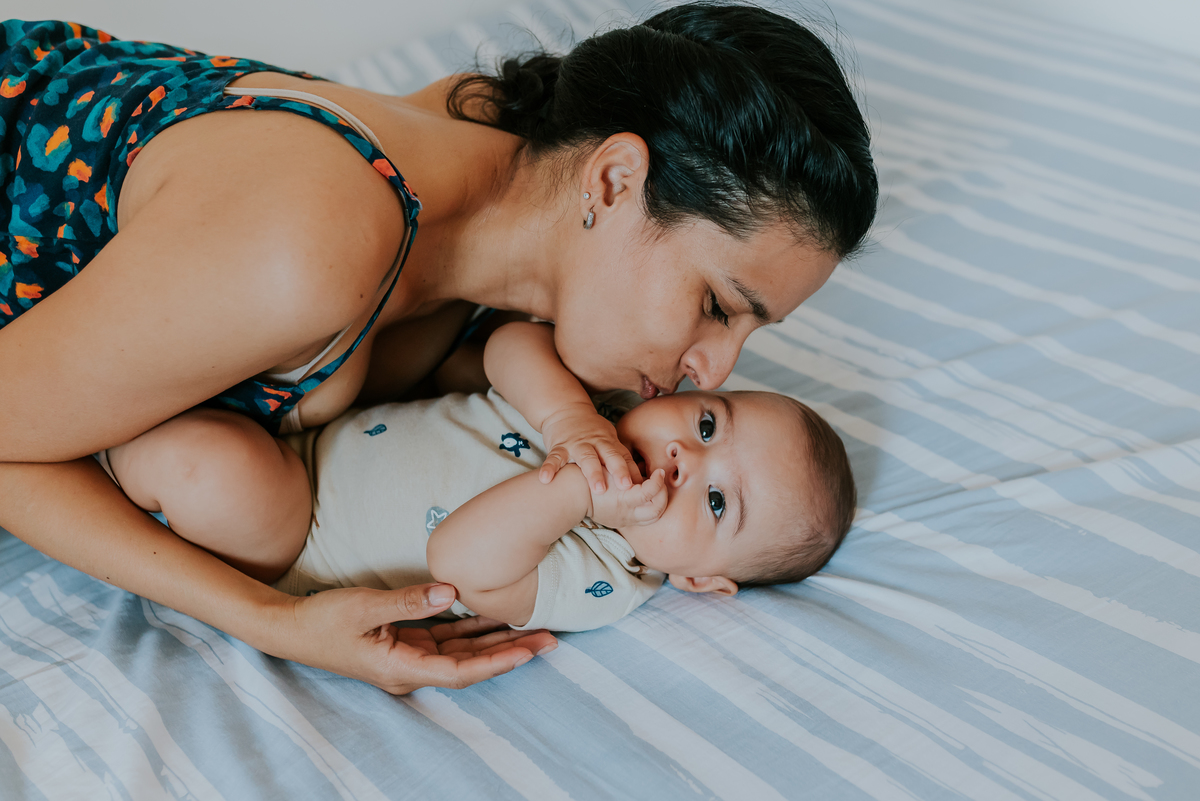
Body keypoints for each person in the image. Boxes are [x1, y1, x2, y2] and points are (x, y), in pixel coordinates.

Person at [0, 5, 878, 693]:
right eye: (718, 305)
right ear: (613, 180)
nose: (716, 369)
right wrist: (267, 621)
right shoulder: (306, 253)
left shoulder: (502, 153)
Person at [97, 320, 857, 632]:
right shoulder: (604, 407)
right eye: (707, 425)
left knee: (208, 465)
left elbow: (460, 561)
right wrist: (569, 421)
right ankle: (106, 400)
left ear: (699, 580)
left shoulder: (607, 578)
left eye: (717, 501)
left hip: (299, 534)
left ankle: (86, 453)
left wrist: (574, 492)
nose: (687, 462)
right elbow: (510, 342)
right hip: (314, 427)